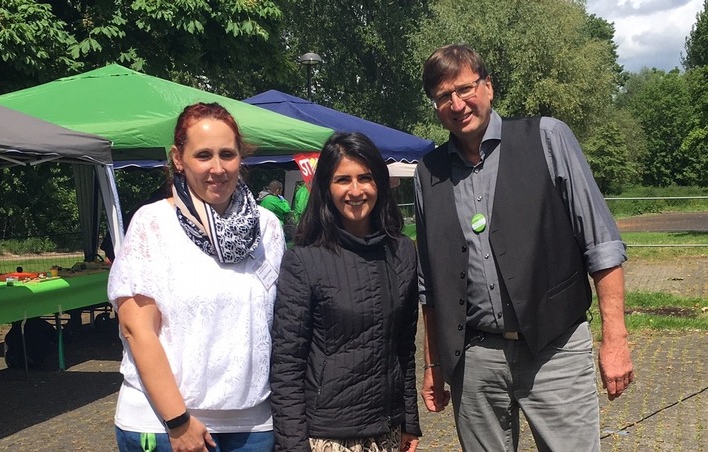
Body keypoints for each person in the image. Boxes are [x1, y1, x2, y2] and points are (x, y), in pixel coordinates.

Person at [415, 44, 634, 451]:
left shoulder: (548, 137)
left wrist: (615, 339)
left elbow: (602, 244)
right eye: (444, 96)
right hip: (475, 359)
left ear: (489, 87)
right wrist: (434, 363)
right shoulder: (428, 173)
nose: (457, 103)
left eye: (465, 89)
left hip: (556, 348)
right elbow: (431, 283)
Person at [108, 102, 286, 452]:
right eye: (203, 155)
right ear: (179, 158)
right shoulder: (153, 223)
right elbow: (136, 328)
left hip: (253, 426)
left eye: (227, 154)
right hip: (166, 426)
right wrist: (178, 421)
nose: (217, 168)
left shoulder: (268, 228)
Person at [270, 132, 422, 452]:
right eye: (343, 180)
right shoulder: (304, 260)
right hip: (327, 434)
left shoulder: (403, 253)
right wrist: (293, 445)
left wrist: (409, 420)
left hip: (387, 428)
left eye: (365, 178)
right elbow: (286, 366)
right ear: (327, 187)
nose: (355, 191)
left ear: (379, 182)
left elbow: (405, 349)